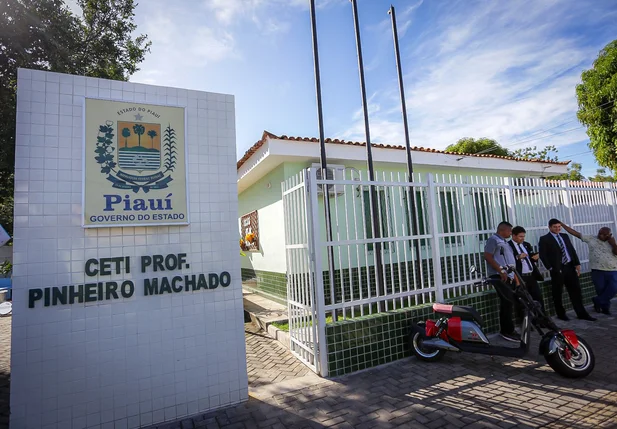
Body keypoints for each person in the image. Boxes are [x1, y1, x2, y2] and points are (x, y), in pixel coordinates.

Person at [538, 219, 596, 322]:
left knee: (576, 291)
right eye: (555, 227)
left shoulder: (564, 236)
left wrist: (577, 263)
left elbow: (571, 250)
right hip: (557, 269)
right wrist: (551, 268)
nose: (557, 229)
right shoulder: (544, 239)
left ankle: (581, 313)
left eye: (559, 227)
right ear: (550, 227)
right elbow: (543, 255)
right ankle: (561, 314)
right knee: (558, 292)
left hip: (569, 267)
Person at [558, 222, 617, 315]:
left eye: (604, 234)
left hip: (612, 270)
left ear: (609, 235)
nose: (601, 235)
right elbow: (575, 233)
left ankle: (597, 300)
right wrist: (563, 225)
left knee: (613, 288)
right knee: (601, 289)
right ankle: (605, 308)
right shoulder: (591, 238)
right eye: (599, 233)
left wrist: (613, 244)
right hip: (597, 270)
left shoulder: (613, 242)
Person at [484, 221, 519, 342]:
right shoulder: (493, 240)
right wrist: (500, 271)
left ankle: (509, 329)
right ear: (502, 230)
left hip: (508, 275)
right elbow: (488, 256)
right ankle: (506, 331)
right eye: (509, 231)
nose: (510, 233)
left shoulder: (504, 242)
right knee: (507, 301)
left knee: (508, 302)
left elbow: (508, 261)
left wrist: (514, 277)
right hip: (499, 276)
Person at [508, 226, 545, 312]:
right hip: (520, 276)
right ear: (513, 236)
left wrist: (535, 257)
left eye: (523, 236)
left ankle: (541, 319)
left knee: (537, 297)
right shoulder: (508, 246)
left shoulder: (526, 244)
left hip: (531, 275)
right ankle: (527, 322)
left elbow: (530, 258)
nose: (522, 238)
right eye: (520, 236)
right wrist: (518, 257)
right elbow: (508, 260)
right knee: (524, 300)